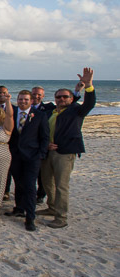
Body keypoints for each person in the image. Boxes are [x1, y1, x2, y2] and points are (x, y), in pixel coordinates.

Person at [38, 68, 96, 228]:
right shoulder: (50, 112)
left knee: (61, 185)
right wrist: (46, 145)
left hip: (64, 153)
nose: (62, 99)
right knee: (47, 183)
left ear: (71, 99)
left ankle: (61, 217)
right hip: (47, 151)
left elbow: (89, 103)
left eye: (65, 96)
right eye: (59, 97)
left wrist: (89, 86)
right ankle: (52, 207)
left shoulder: (76, 111)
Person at [7, 90, 49, 231]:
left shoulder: (40, 116)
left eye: (26, 99)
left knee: (30, 187)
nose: (23, 102)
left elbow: (44, 137)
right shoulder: (11, 114)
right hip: (15, 156)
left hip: (32, 157)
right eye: (20, 99)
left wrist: (41, 154)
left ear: (31, 101)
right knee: (19, 184)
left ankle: (30, 218)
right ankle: (19, 208)